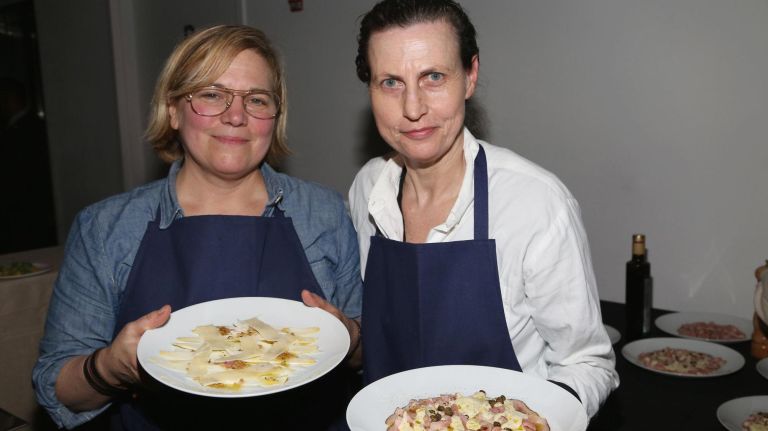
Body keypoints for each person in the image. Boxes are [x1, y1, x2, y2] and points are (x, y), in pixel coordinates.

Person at [32, 25, 362, 430]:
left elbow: (363, 353)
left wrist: (351, 338)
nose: (236, 115)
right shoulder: (105, 226)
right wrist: (108, 366)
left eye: (256, 99)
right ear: (172, 110)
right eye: (211, 94)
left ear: (274, 118)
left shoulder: (325, 212)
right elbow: (57, 387)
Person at [348, 0, 619, 419]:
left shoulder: (536, 203)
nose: (413, 107)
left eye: (433, 77)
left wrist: (532, 422)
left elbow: (587, 363)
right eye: (390, 82)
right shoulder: (367, 188)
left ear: (470, 76)